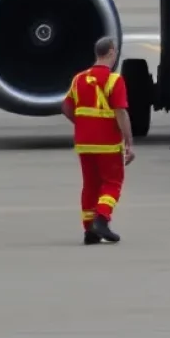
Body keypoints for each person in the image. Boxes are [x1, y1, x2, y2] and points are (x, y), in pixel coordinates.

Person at [61, 37, 134, 245]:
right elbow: (121, 113)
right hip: (107, 143)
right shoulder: (114, 80)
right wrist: (129, 142)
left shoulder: (79, 79)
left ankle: (89, 230)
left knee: (90, 185)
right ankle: (102, 219)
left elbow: (65, 107)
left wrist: (83, 124)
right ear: (111, 52)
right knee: (113, 182)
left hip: (84, 142)